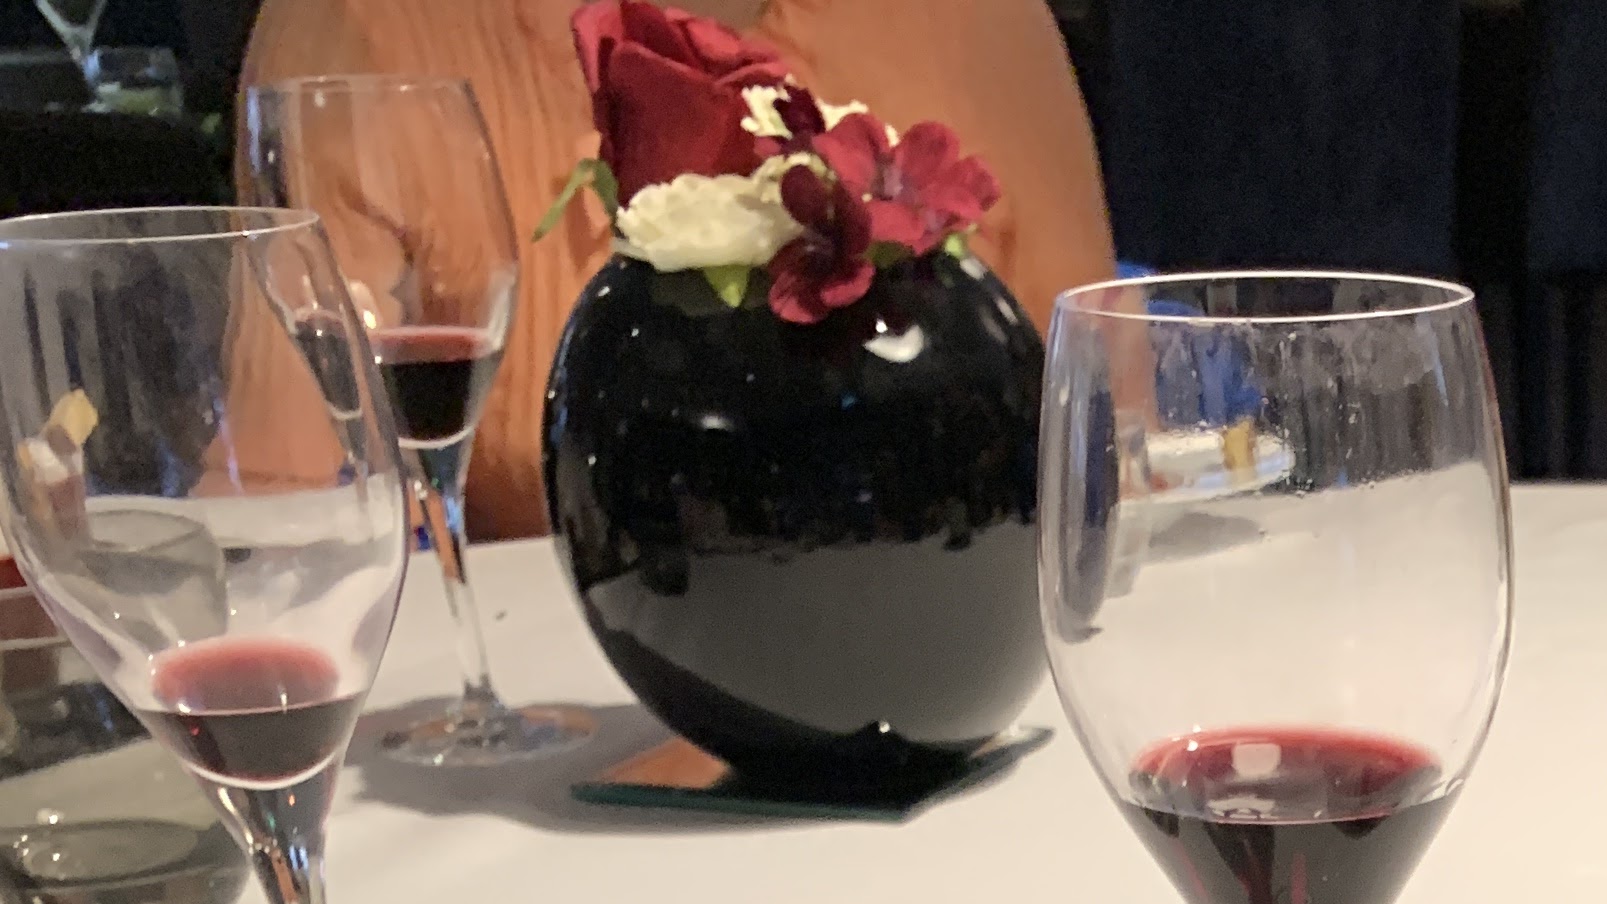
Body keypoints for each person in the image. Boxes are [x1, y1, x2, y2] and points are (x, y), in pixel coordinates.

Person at [231, 0, 1115, 535]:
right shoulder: (360, 32)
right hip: (575, 712)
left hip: (964, 661)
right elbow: (284, 525)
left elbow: (1121, 449)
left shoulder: (982, 23)